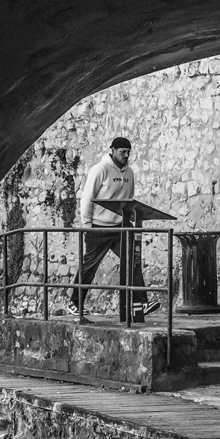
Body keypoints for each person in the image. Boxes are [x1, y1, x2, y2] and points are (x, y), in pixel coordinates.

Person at [74, 136, 146, 320]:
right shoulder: (100, 170)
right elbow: (87, 197)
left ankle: (141, 303)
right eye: (122, 152)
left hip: (120, 226)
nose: (126, 155)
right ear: (112, 150)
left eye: (128, 152)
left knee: (133, 260)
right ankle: (75, 302)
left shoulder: (129, 173)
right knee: (90, 264)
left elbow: (129, 198)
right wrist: (87, 224)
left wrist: (129, 218)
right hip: (99, 226)